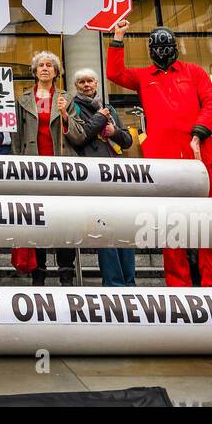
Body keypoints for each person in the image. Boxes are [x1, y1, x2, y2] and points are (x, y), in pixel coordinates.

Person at [106, 21, 212, 287]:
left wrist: (199, 132)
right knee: (172, 224)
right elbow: (114, 73)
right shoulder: (143, 76)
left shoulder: (194, 72)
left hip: (198, 156)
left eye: (167, 46)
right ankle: (178, 285)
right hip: (163, 162)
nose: (162, 51)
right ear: (150, 50)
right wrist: (118, 37)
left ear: (175, 47)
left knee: (207, 223)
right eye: (157, 47)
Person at [64, 68, 137, 287]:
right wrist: (100, 118)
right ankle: (114, 282)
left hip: (116, 174)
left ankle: (130, 281)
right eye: (82, 82)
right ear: (76, 87)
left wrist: (114, 132)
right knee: (105, 230)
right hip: (94, 175)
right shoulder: (74, 106)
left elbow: (127, 141)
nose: (87, 85)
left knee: (124, 229)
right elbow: (80, 137)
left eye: (90, 81)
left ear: (96, 84)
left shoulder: (110, 108)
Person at [14, 51, 79, 286]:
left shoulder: (67, 98)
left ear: (55, 71)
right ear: (34, 71)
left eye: (49, 65)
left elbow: (78, 135)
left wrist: (64, 114)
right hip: (32, 169)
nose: (44, 68)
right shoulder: (22, 100)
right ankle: (38, 275)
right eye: (40, 65)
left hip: (60, 169)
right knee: (37, 222)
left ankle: (65, 275)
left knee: (63, 222)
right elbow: (16, 138)